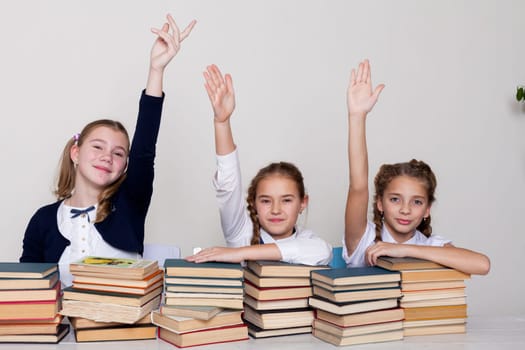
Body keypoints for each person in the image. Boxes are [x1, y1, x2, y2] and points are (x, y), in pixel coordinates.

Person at [20, 14, 196, 286]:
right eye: (98, 147)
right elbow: (27, 288)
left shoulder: (129, 204)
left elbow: (144, 148)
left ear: (125, 165)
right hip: (66, 327)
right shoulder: (43, 219)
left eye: (118, 153)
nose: (107, 156)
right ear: (75, 153)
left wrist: (156, 70)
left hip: (120, 326)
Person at [342, 59, 490, 275]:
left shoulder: (430, 244)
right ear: (380, 203)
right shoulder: (364, 238)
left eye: (417, 202)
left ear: (427, 209)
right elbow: (358, 186)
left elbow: (482, 265)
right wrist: (357, 116)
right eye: (395, 199)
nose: (405, 209)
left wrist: (403, 250)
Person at [186, 64, 332, 266]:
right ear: (253, 203)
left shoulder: (310, 243)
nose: (276, 210)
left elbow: (322, 251)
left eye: (287, 200)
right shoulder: (241, 233)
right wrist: (222, 123)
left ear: (303, 203)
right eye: (265, 201)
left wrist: (238, 254)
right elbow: (228, 185)